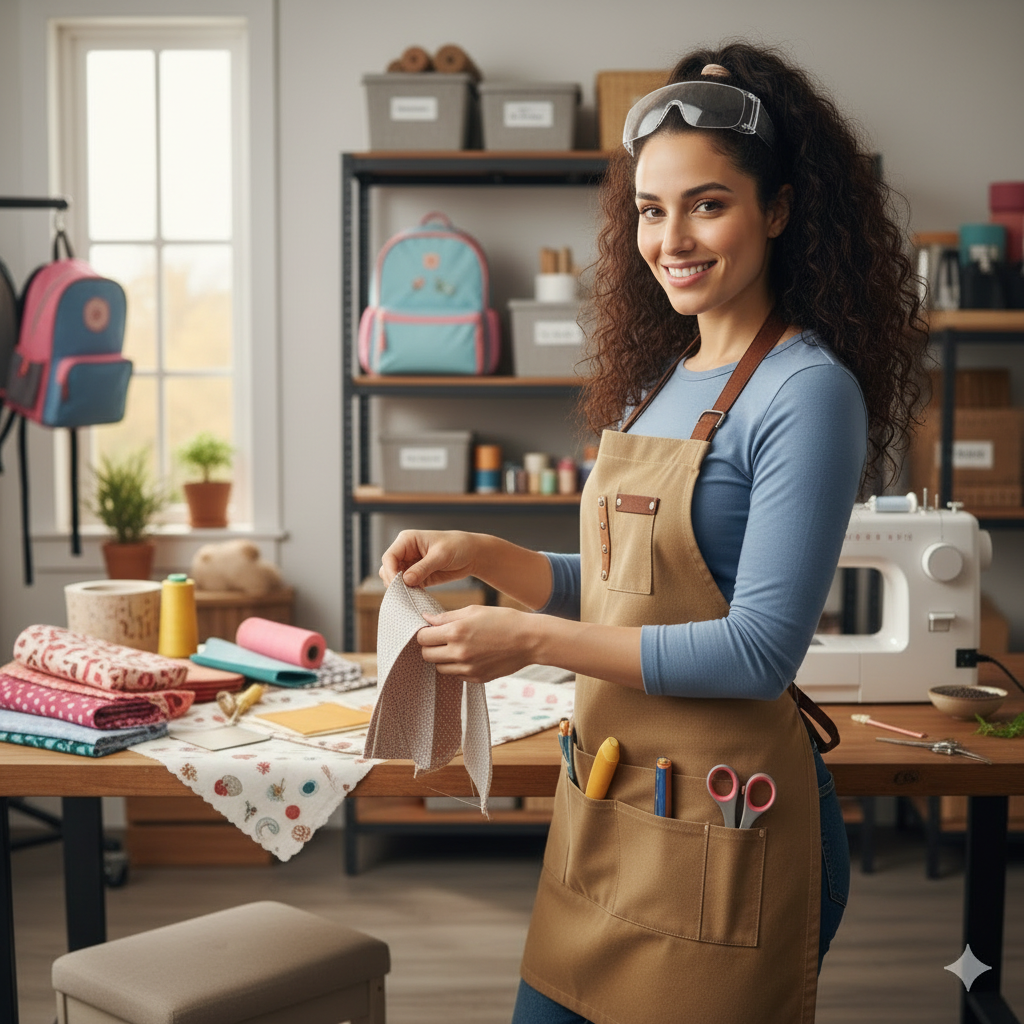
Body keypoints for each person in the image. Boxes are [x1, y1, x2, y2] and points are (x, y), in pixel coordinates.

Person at [379, 41, 927, 1024]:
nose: (672, 238)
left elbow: (757, 652)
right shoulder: (657, 382)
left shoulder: (806, 392)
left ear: (779, 209)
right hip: (609, 806)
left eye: (706, 204)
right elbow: (623, 590)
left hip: (726, 826)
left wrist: (532, 642)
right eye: (650, 209)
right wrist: (484, 557)